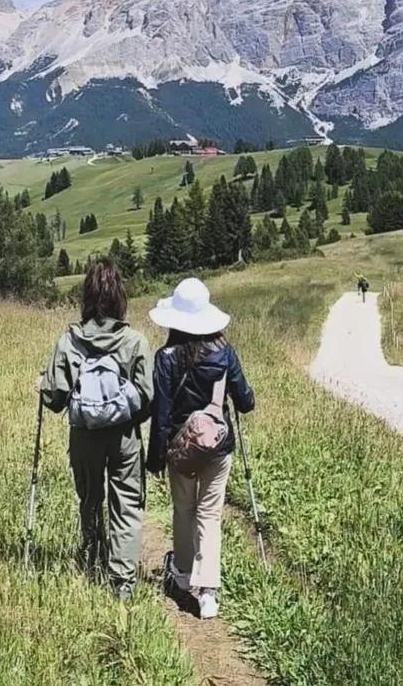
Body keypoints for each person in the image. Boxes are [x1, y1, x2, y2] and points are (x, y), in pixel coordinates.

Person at [40, 257, 153, 601]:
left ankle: (92, 558)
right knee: (126, 504)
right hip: (123, 437)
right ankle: (123, 582)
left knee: (90, 498)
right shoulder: (134, 341)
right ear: (120, 296)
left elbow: (55, 398)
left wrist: (42, 387)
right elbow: (147, 398)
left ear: (87, 296)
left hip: (84, 435)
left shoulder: (69, 341)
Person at [147, 277, 254, 619]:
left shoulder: (165, 358)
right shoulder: (225, 354)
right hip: (218, 447)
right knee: (209, 513)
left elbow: (160, 414)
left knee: (183, 510)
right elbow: (247, 401)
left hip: (180, 448)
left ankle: (180, 576)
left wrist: (155, 458)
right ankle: (208, 592)